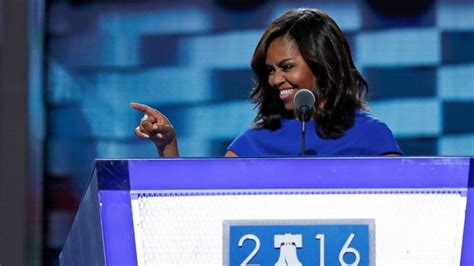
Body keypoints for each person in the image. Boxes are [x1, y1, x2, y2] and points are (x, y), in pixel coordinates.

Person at [131, 8, 401, 157]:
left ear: (324, 64)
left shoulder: (373, 137)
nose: (274, 80)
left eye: (287, 67)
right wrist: (168, 146)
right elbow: (201, 209)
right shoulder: (255, 142)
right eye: (270, 70)